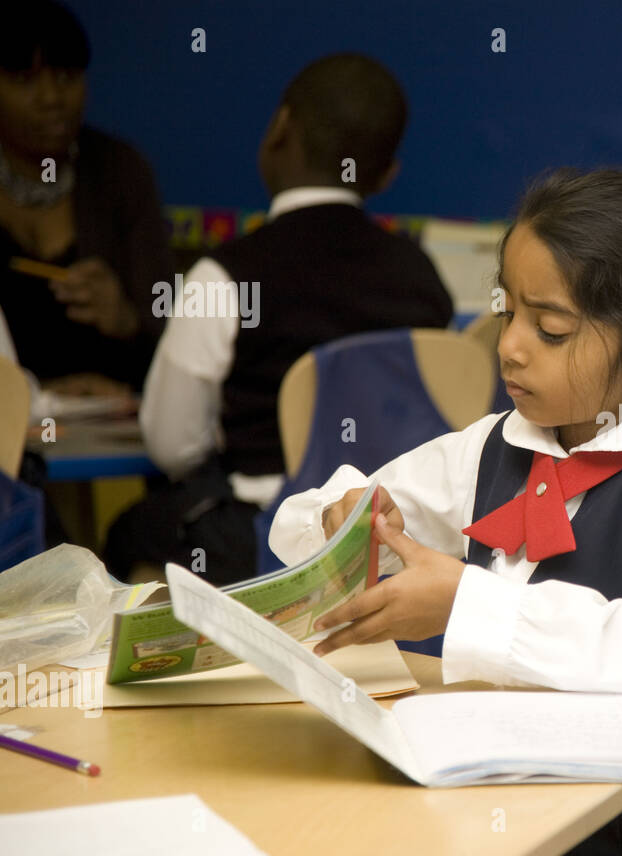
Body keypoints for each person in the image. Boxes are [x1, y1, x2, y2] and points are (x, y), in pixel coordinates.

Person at [267, 167, 622, 856]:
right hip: (468, 803)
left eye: (551, 328)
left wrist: (465, 604)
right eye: (508, 312)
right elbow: (298, 520)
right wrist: (348, 524)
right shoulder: (491, 449)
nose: (509, 345)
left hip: (597, 831)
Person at [104, 53, 454, 585]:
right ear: (386, 174)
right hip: (394, 541)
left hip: (260, 543)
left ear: (278, 129)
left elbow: (171, 444)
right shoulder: (423, 276)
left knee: (133, 530)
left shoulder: (223, 275)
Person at [0, 0, 170, 396]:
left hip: (105, 421)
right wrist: (39, 395)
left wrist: (126, 320)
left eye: (66, 77)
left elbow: (169, 343)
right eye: (26, 80)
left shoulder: (122, 172)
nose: (51, 98)